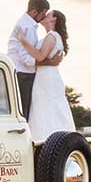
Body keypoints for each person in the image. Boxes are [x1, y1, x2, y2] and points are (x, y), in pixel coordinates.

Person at [20, 10, 75, 142]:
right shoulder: (52, 36)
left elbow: (40, 56)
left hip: (46, 78)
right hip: (47, 76)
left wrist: (23, 41)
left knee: (45, 109)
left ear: (54, 19)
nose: (45, 16)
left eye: (48, 14)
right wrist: (51, 62)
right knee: (47, 109)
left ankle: (46, 140)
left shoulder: (52, 36)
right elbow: (43, 58)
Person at [6, 0, 63, 120]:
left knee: (27, 112)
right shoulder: (28, 27)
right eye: (43, 13)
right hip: (23, 74)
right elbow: (26, 59)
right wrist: (50, 62)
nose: (44, 16)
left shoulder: (26, 24)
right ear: (34, 12)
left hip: (23, 73)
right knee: (23, 113)